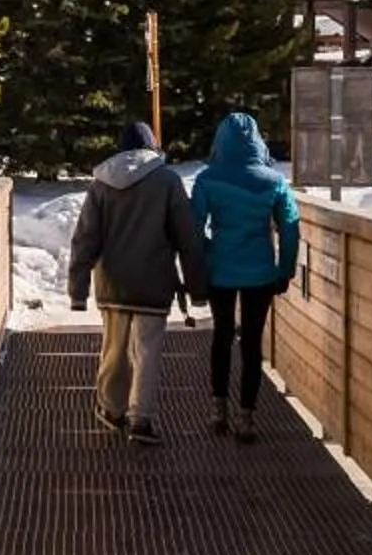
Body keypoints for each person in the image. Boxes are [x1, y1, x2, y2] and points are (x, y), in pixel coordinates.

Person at [65, 120, 207, 445]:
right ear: (151, 147)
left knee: (114, 350)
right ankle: (141, 419)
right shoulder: (168, 182)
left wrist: (78, 290)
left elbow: (85, 238)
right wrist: (197, 288)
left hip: (113, 283)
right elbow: (188, 239)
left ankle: (112, 410)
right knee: (148, 352)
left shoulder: (101, 184)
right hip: (154, 282)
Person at [191, 111, 300, 443]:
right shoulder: (274, 182)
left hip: (221, 271)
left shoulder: (207, 180)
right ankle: (247, 417)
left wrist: (210, 254)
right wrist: (286, 269)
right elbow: (291, 228)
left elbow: (193, 228)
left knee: (222, 336)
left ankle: (217, 409)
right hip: (260, 273)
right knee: (252, 343)